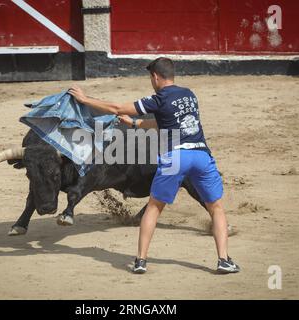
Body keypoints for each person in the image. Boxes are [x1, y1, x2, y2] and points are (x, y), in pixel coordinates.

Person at [68, 57, 240, 274]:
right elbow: (165, 123)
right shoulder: (190, 95)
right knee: (216, 208)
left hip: (176, 157)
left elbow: (116, 107)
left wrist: (84, 99)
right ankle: (223, 260)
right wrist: (135, 124)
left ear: (155, 77)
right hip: (201, 154)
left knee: (153, 208)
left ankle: (140, 261)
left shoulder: (157, 99)